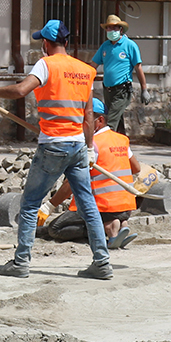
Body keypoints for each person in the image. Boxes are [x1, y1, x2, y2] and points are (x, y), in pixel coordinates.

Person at [0, 19, 112, 280]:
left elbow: (22, 90)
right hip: (79, 145)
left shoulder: (46, 64)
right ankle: (102, 262)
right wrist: (90, 148)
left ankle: (21, 262)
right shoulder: (85, 70)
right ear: (66, 42)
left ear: (46, 43)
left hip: (53, 145)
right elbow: (89, 114)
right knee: (88, 204)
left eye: (42, 42)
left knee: (31, 203)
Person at [41, 98, 142, 250]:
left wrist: (49, 206)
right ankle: (119, 224)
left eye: (84, 120)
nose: (80, 125)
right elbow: (135, 168)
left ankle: (104, 228)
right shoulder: (121, 140)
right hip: (126, 206)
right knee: (110, 215)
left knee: (55, 229)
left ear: (99, 120)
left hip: (102, 206)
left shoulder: (91, 144)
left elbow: (71, 183)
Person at [91, 14, 148, 135]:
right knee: (117, 119)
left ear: (121, 30)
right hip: (108, 90)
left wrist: (144, 89)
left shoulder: (129, 45)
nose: (112, 31)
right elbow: (93, 66)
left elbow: (138, 67)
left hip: (122, 90)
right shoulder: (105, 46)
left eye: (115, 28)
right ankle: (123, 146)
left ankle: (105, 148)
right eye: (109, 28)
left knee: (110, 121)